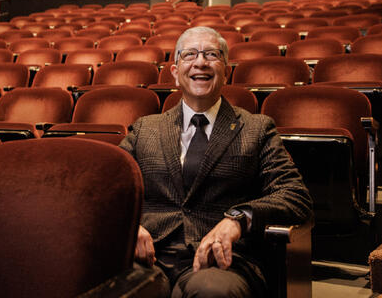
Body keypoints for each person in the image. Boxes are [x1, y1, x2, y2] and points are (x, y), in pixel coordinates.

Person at [119, 26, 312, 297]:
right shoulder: (144, 129)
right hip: (149, 257)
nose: (200, 62)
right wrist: (128, 225)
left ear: (226, 70)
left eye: (211, 54)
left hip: (222, 262)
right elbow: (106, 189)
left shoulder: (257, 128)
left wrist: (237, 220)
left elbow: (295, 196)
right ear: (175, 72)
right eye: (189, 55)